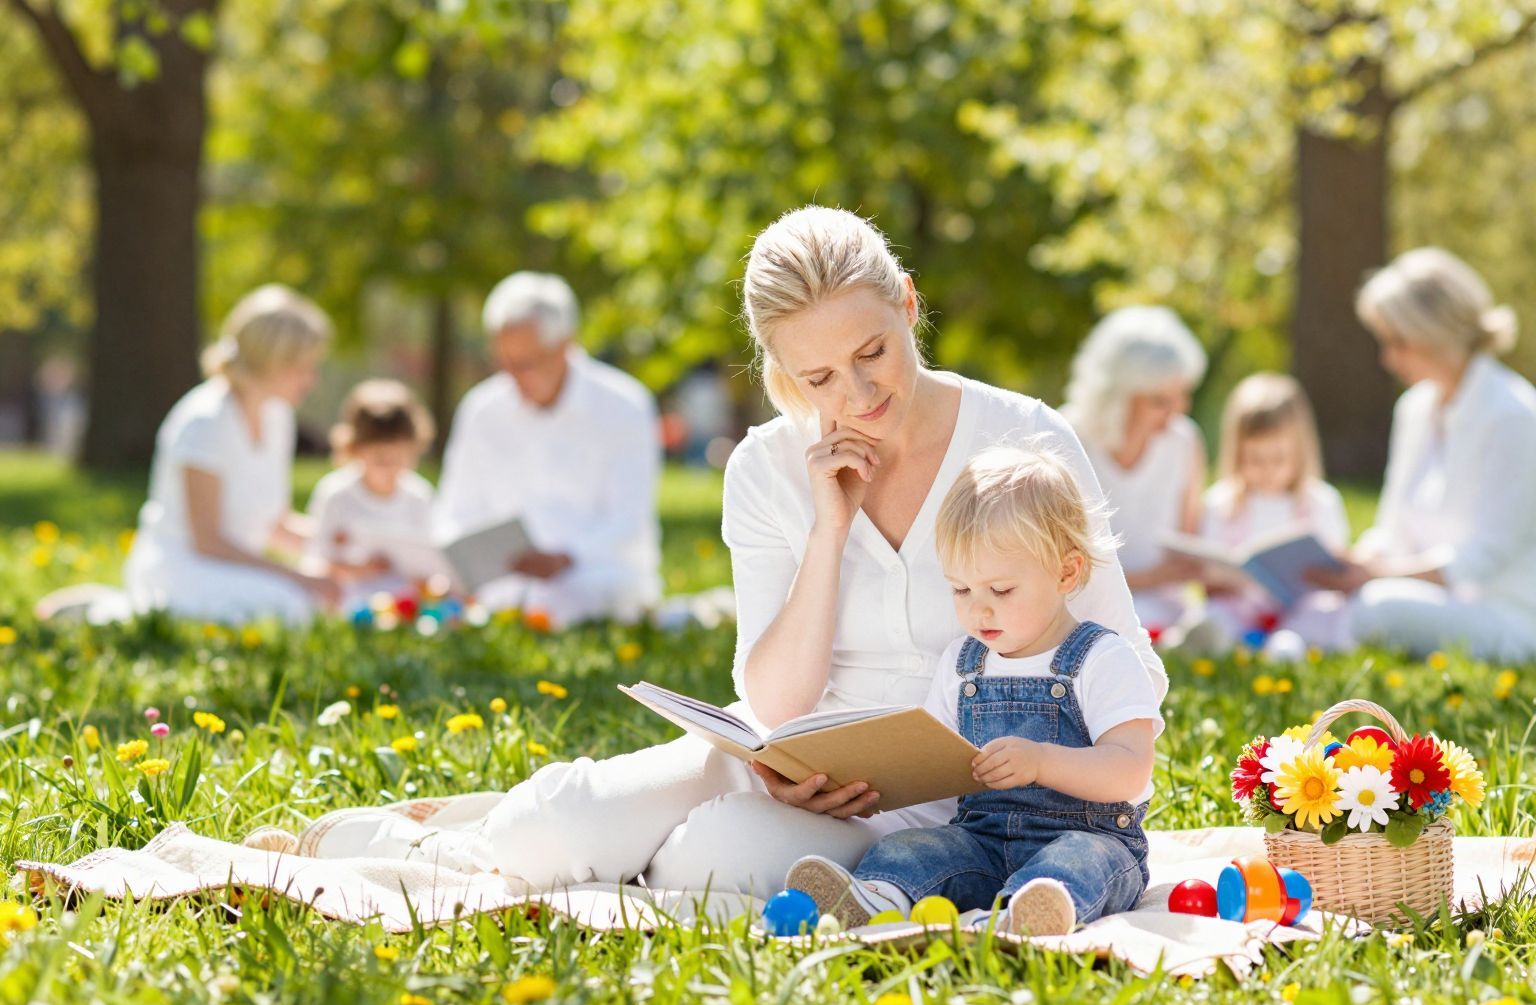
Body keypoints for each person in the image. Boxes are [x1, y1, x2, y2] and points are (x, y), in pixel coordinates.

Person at [292, 207, 1165, 898]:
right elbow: (774, 701)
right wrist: (829, 530)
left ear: (906, 301)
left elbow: (1121, 660)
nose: (856, 397)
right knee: (546, 838)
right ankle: (425, 838)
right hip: (797, 761)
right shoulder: (765, 465)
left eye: (872, 354)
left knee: (711, 865)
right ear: (779, 369)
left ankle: (585, 846)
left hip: (960, 809)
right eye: (817, 379)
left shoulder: (1024, 438)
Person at [787, 444, 1161, 936]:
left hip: (1089, 835)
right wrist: (872, 771)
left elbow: (1130, 771)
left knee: (1082, 862)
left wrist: (1043, 761)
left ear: (1066, 572)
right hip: (982, 839)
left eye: (1000, 591)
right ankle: (876, 897)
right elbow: (935, 757)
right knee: (917, 847)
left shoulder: (1100, 658)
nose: (977, 611)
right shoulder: (964, 664)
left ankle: (1024, 916)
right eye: (960, 590)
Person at [1308, 248, 1536, 660]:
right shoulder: (1414, 408)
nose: (1387, 358)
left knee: (1379, 605)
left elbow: (1481, 559)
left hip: (1505, 614)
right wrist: (1356, 562)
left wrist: (1374, 574)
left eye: (1399, 342)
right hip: (1428, 596)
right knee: (1341, 599)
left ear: (1437, 333)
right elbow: (1393, 527)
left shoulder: (1515, 415)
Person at [435, 272, 661, 627]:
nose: (511, 377)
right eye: (503, 362)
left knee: (560, 599)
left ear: (565, 347)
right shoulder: (482, 408)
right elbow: (455, 511)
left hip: (596, 573)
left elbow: (628, 523)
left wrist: (566, 557)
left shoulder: (623, 406)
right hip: (505, 581)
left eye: (524, 364)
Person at [122, 285, 338, 624]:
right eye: (303, 366)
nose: (312, 378)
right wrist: (296, 577)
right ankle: (112, 609)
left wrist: (342, 545)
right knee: (294, 606)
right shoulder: (206, 421)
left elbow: (275, 524)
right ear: (272, 362)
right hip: (185, 568)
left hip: (236, 567)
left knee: (340, 593)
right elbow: (207, 540)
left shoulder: (277, 415)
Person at [1060, 307, 1208, 636]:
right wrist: (1151, 577)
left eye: (1181, 395)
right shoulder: (1067, 437)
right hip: (1083, 604)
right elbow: (1056, 564)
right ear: (1116, 397)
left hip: (1164, 604)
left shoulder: (1184, 441)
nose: (1178, 410)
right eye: (1160, 400)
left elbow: (1188, 544)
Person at [1195, 373, 1351, 654]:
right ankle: (1214, 638)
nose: (1267, 470)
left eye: (1279, 458)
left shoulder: (1320, 502)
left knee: (1322, 614)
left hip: (1299, 609)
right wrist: (1225, 579)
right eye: (1254, 459)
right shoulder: (1221, 503)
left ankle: (1287, 645)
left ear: (1300, 452)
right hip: (1240, 608)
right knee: (1214, 616)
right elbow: (1208, 580)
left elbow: (1335, 569)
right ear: (1236, 454)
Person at [305, 379, 436, 606]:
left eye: (398, 459)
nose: (389, 469)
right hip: (352, 597)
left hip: (405, 600)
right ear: (355, 450)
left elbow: (431, 561)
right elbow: (317, 559)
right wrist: (361, 569)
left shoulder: (419, 496)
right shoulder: (336, 494)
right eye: (379, 460)